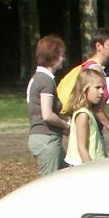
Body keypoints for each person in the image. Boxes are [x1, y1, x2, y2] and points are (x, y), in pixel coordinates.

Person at [57, 28, 109, 152]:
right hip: (90, 126)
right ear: (99, 46)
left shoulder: (90, 66)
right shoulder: (95, 70)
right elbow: (95, 106)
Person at [25, 35, 71, 176]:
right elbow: (47, 115)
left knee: (68, 173)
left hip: (43, 138)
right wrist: (66, 125)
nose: (63, 58)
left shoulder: (37, 78)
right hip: (47, 140)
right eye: (61, 55)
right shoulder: (46, 80)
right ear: (53, 57)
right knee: (49, 185)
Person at [67, 70, 107, 166]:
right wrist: (90, 169)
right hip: (84, 166)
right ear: (84, 89)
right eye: (97, 88)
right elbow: (81, 147)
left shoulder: (89, 112)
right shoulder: (82, 115)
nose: (101, 91)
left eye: (103, 88)